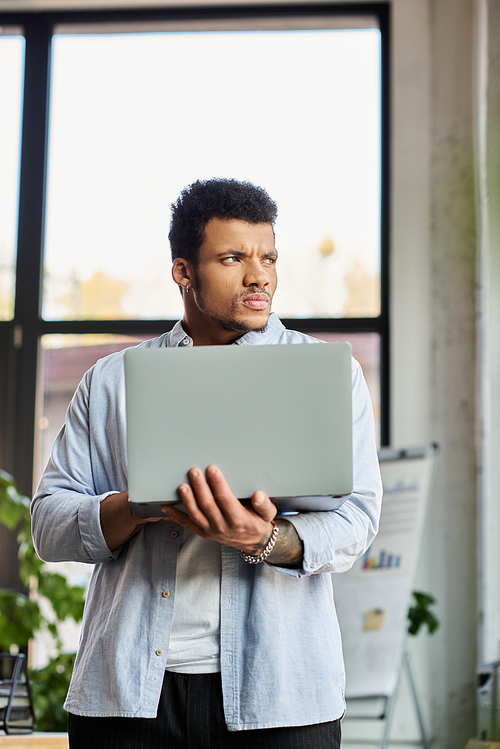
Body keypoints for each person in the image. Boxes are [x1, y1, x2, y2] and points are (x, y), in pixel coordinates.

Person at [32, 178, 382, 749]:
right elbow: (48, 524)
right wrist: (136, 506)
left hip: (281, 700)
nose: (259, 276)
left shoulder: (326, 375)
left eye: (268, 257)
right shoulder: (112, 381)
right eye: (232, 257)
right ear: (183, 271)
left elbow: (359, 518)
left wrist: (266, 538)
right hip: (128, 700)